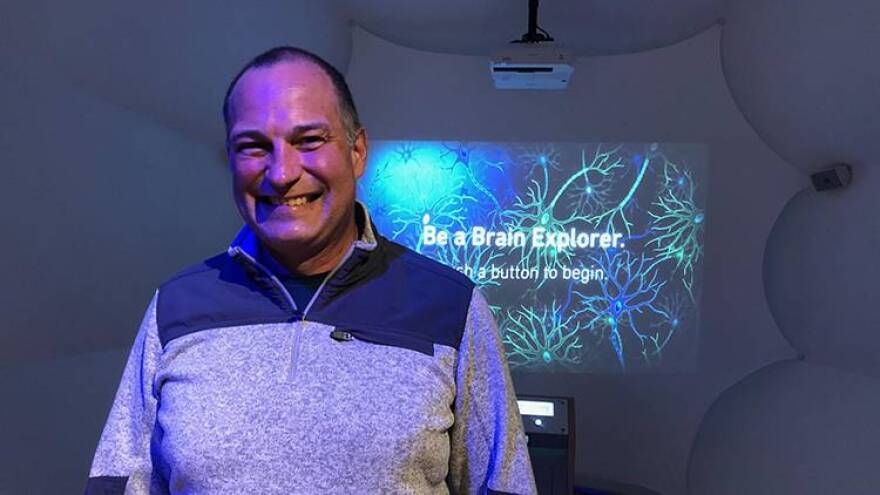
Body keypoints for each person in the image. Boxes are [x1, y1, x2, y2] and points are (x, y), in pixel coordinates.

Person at [85, 46, 536, 495]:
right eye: (253, 146)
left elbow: (504, 485)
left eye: (309, 141)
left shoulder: (450, 307)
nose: (282, 173)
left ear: (357, 151)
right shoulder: (176, 308)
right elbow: (119, 483)